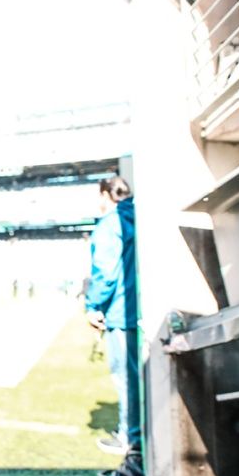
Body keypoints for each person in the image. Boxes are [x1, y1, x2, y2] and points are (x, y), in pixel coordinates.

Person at [84, 176, 140, 458]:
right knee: (141, 375)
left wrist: (92, 306)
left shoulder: (109, 225)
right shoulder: (142, 216)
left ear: (106, 194)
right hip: (143, 309)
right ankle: (140, 434)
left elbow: (105, 274)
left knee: (125, 377)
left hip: (120, 311)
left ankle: (130, 438)